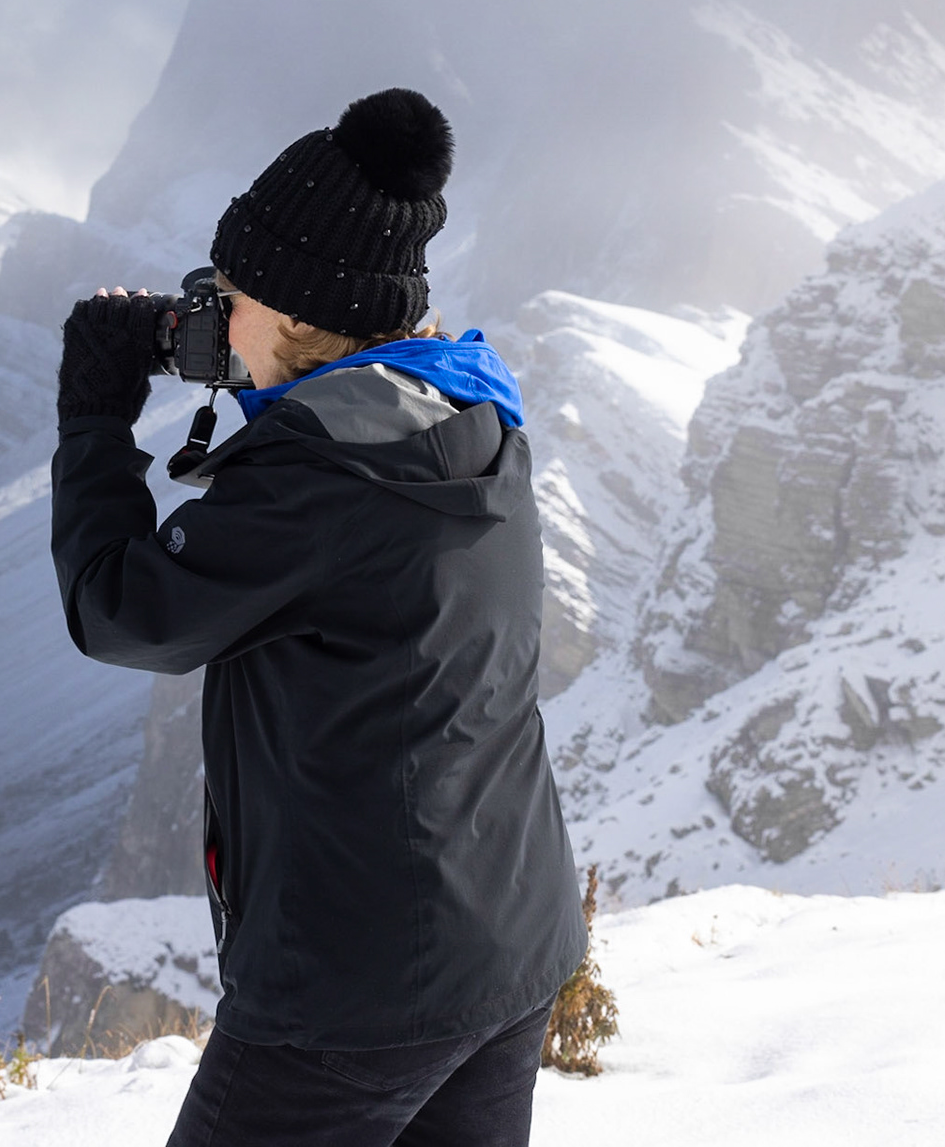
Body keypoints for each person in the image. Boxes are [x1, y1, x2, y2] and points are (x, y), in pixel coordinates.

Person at [49, 89, 586, 1146]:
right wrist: (246, 366)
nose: (210, 308)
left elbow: (121, 611)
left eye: (230, 295)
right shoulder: (471, 413)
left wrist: (93, 411)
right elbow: (343, 432)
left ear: (298, 315)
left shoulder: (320, 477)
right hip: (511, 940)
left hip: (358, 991)